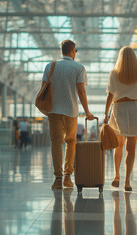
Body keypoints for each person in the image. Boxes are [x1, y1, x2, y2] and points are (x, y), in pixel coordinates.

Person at [41, 39, 94, 190]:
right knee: (71, 142)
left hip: (54, 110)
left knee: (56, 143)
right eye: (75, 51)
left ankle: (57, 179)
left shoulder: (50, 66)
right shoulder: (78, 68)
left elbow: (43, 88)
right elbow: (81, 91)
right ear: (72, 50)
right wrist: (87, 111)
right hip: (71, 111)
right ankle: (67, 177)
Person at [104, 46, 137, 191]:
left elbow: (110, 95)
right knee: (131, 149)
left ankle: (116, 176)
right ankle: (127, 181)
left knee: (118, 145)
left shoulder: (114, 73)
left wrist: (105, 113)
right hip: (134, 110)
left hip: (118, 110)